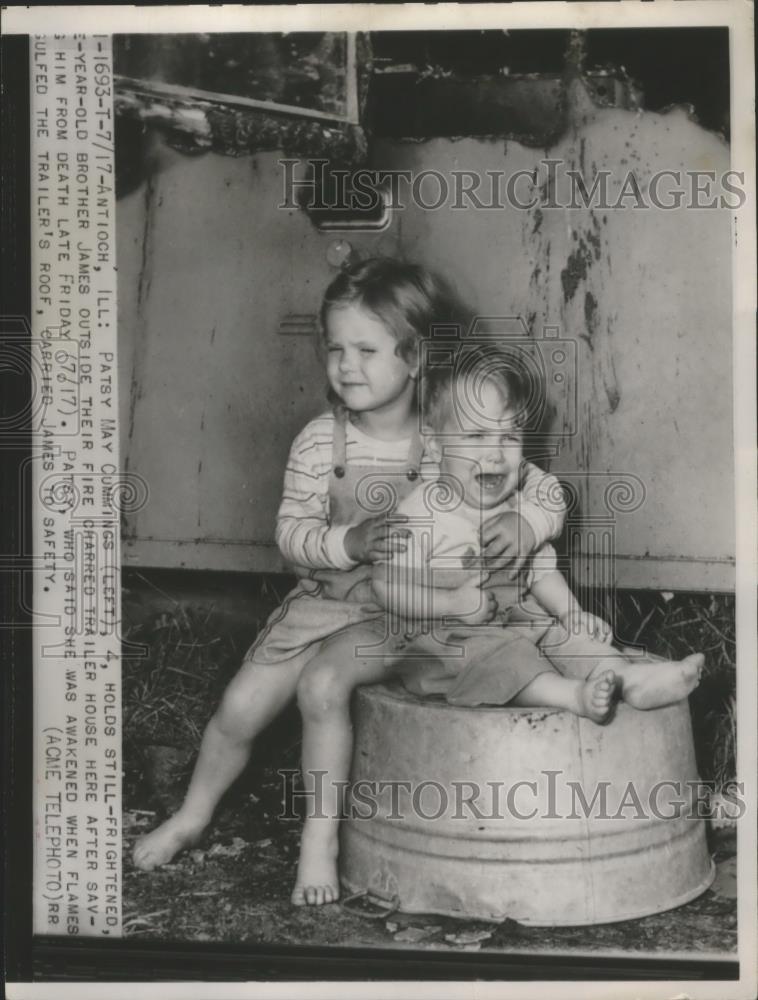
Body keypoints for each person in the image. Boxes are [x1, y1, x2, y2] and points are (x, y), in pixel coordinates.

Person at [132, 259, 567, 908]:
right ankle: (194, 814)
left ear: (416, 357)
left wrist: (523, 521)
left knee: (323, 687)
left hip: (402, 610)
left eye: (366, 349)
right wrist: (347, 542)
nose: (345, 365)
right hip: (323, 601)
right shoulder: (319, 442)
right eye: (334, 348)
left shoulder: (450, 427)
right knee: (240, 709)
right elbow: (292, 534)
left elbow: (545, 490)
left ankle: (320, 838)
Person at [372, 342, 704, 720]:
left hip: (519, 623)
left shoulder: (516, 505)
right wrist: (451, 605)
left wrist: (571, 613)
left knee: (568, 641)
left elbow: (540, 570)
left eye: (509, 437)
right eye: (477, 436)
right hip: (447, 641)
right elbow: (386, 586)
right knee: (506, 658)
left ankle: (631, 679)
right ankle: (571, 696)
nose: (495, 453)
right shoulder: (420, 513)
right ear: (434, 444)